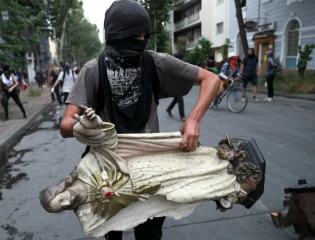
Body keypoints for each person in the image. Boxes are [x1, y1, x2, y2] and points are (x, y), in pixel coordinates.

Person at [59, 1, 220, 239]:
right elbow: (65, 125)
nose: (141, 42)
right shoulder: (93, 71)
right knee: (112, 232)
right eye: (134, 36)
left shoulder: (155, 63)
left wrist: (193, 119)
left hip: (150, 169)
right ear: (116, 34)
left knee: (150, 233)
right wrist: (84, 129)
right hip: (108, 171)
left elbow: (211, 79)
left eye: (145, 36)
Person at [40, 107, 263, 238]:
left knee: (187, 167)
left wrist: (92, 126)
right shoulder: (85, 215)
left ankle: (222, 159)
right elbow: (96, 227)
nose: (65, 202)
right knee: (189, 193)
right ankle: (233, 189)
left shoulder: (85, 169)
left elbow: (106, 143)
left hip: (146, 169)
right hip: (148, 196)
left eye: (59, 198)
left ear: (61, 188)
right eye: (60, 207)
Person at [166, 53, 187, 122]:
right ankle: (182, 116)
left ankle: (169, 109)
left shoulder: (179, 65)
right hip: (175, 85)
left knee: (176, 99)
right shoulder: (175, 65)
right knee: (180, 100)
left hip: (178, 84)